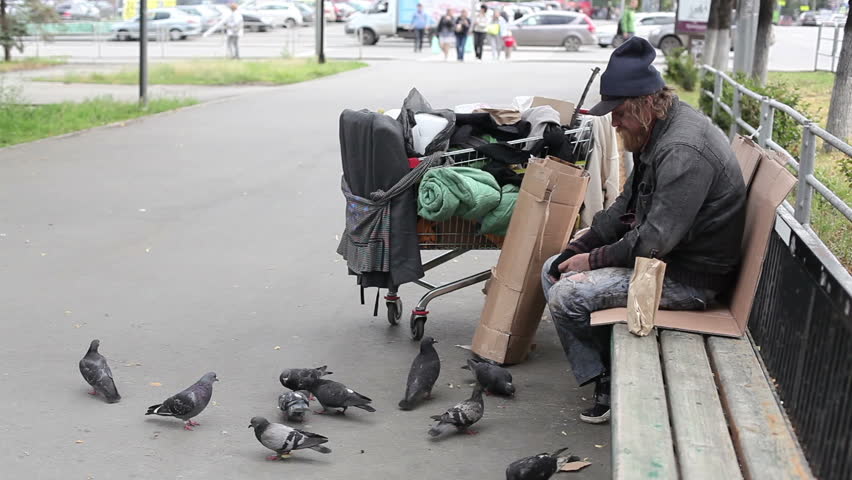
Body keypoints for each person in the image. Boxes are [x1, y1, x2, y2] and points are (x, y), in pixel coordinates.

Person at [541, 37, 746, 425]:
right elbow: (625, 206)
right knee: (553, 266)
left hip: (688, 279)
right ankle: (604, 367)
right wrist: (583, 243)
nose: (614, 123)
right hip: (666, 261)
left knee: (568, 294)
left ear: (645, 104)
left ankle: (609, 380)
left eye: (617, 114)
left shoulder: (683, 149)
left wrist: (593, 259)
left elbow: (653, 242)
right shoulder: (654, 131)